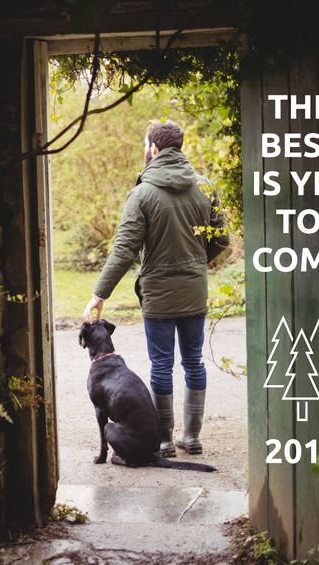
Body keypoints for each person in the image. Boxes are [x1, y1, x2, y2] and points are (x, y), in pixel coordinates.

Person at [83, 120, 229, 458]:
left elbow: (124, 250)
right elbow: (222, 238)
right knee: (194, 360)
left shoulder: (142, 194)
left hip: (158, 294)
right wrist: (196, 261)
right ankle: (191, 438)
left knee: (161, 365)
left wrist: (99, 293)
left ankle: (165, 442)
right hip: (195, 290)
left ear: (154, 149)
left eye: (145, 145)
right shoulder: (205, 188)